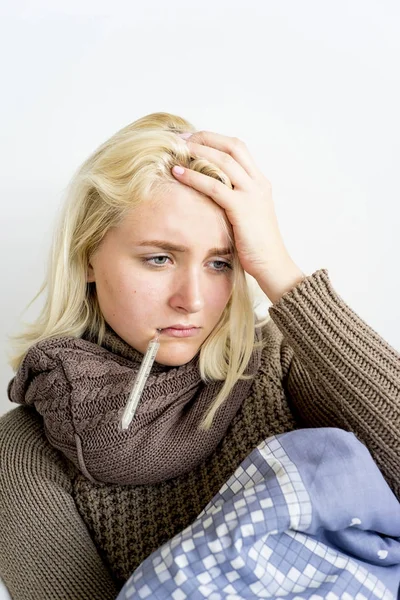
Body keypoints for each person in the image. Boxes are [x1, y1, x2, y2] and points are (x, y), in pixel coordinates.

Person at [0, 111, 399, 600]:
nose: (191, 298)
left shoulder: (279, 360)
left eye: (219, 263)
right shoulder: (24, 450)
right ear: (87, 255)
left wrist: (279, 270)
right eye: (160, 258)